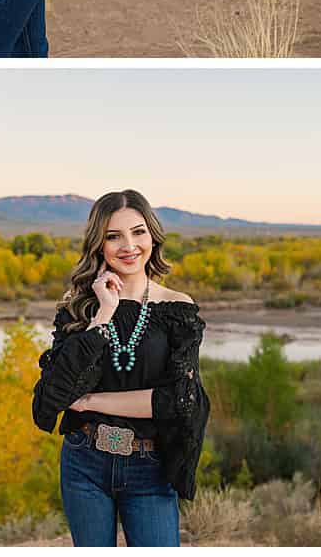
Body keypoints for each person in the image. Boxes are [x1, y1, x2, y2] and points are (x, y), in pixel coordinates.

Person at [32, 191, 210, 546]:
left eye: (138, 232)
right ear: (99, 244)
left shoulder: (177, 309)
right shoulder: (78, 311)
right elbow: (49, 401)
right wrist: (102, 316)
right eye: (114, 236)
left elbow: (178, 401)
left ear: (153, 237)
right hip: (84, 462)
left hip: (149, 466)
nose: (129, 245)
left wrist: (89, 402)